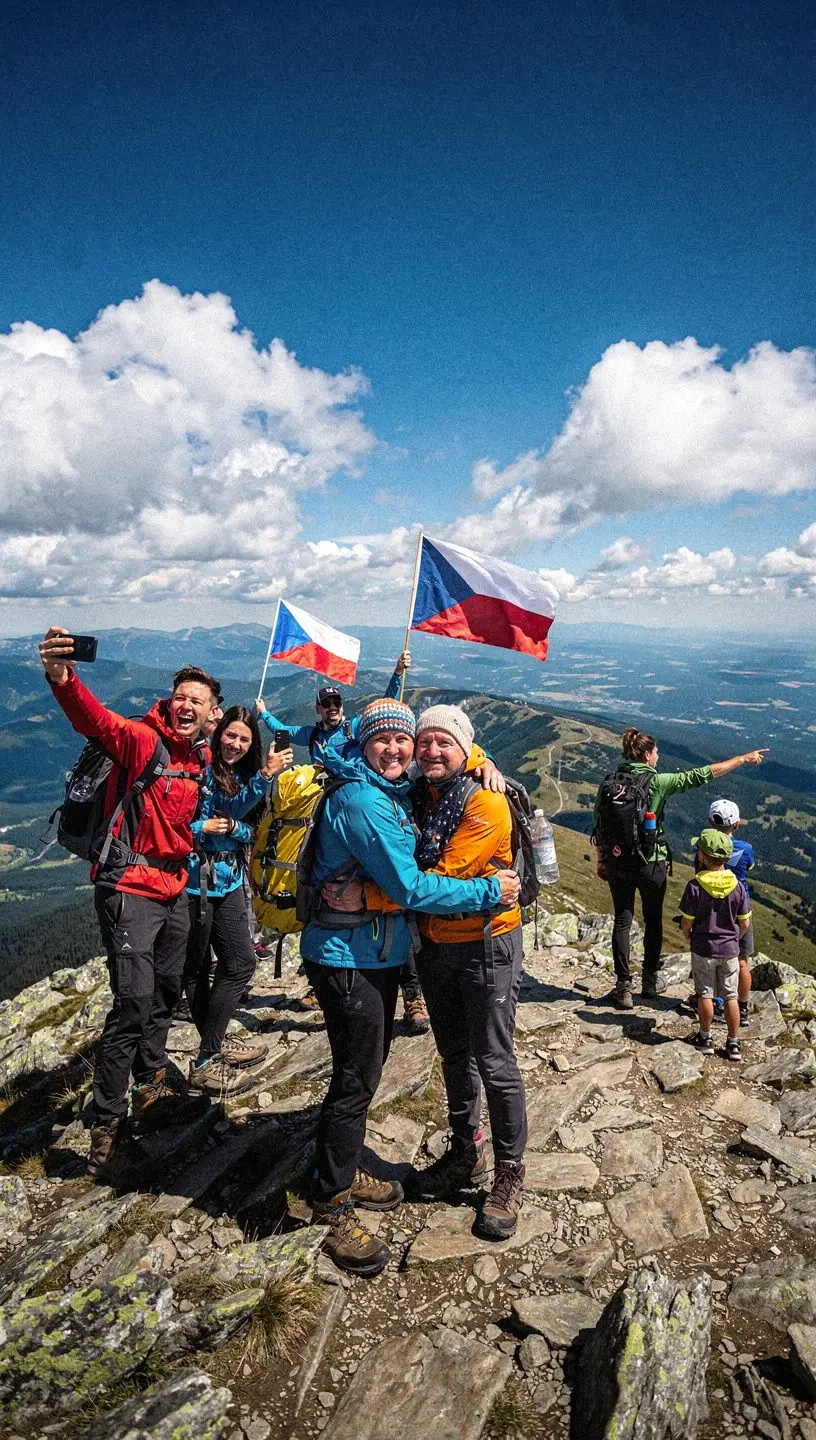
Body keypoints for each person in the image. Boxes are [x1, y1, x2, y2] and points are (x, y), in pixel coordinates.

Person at [301, 698, 521, 1278]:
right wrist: (489, 892)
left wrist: (482, 757)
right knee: (355, 1077)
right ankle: (329, 1194)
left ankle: (349, 1172)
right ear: (363, 745)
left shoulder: (397, 790)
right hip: (350, 955)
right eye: (387, 741)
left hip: (380, 950)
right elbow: (415, 886)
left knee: (369, 1070)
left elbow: (448, 754)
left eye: (409, 739)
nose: (401, 750)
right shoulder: (366, 801)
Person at [38, 627, 219, 1172]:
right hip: (130, 891)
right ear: (170, 699)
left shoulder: (199, 756)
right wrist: (61, 676)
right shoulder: (144, 739)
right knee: (132, 1004)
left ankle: (152, 1084)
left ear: (212, 713)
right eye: (181, 696)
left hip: (174, 889)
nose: (187, 705)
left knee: (166, 990)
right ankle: (107, 1127)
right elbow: (94, 719)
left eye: (198, 701)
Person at [257, 650, 430, 1033]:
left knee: (393, 903)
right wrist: (262, 713)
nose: (333, 708)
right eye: (327, 703)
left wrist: (396, 673)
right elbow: (281, 727)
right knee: (329, 888)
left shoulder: (355, 731)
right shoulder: (314, 734)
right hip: (332, 818)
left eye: (337, 702)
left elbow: (386, 714)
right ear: (319, 708)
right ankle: (325, 979)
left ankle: (413, 994)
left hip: (368, 813)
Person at [404, 705, 528, 1241]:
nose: (432, 750)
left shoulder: (485, 803)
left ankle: (508, 1173)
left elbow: (435, 879)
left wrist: (378, 882)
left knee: (494, 1061)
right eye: (424, 741)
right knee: (454, 1054)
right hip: (437, 946)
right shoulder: (423, 793)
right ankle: (464, 1151)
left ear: (464, 750)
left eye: (444, 743)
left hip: (485, 945)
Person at [593, 728, 767, 1011]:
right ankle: (649, 981)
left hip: (618, 861)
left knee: (622, 922)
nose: (658, 756)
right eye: (656, 752)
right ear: (647, 755)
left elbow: (598, 824)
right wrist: (742, 759)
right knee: (653, 921)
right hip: (652, 862)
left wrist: (602, 859)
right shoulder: (658, 782)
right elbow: (703, 774)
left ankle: (623, 987)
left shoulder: (609, 783)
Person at [184, 707, 293, 1096]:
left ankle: (211, 1045)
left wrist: (230, 828)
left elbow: (250, 827)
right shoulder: (202, 770)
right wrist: (207, 826)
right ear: (220, 734)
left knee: (241, 963)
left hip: (227, 880)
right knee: (195, 969)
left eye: (244, 739)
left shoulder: (245, 776)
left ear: (252, 744)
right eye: (231, 735)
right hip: (195, 881)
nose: (235, 744)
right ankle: (209, 1057)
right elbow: (186, 822)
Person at [680, 828, 751, 1061]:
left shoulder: (695, 886)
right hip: (730, 950)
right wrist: (734, 938)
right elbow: (745, 923)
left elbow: (687, 922)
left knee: (705, 994)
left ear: (703, 855)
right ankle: (733, 1043)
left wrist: (688, 934)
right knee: (731, 996)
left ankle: (705, 1037)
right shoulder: (737, 886)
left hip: (703, 948)